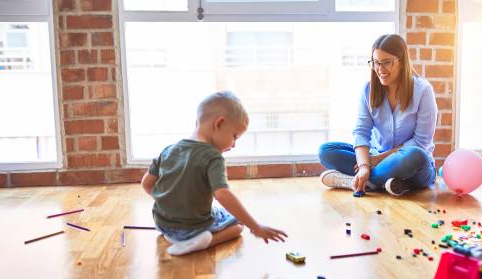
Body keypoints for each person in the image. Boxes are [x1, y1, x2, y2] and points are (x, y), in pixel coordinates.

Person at [141, 91, 287, 256]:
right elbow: (223, 194)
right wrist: (256, 227)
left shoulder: (168, 150)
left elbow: (146, 184)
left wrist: (171, 203)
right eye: (234, 136)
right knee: (238, 224)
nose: (233, 145)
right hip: (192, 228)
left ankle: (178, 238)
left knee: (217, 212)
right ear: (219, 124)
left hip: (163, 224)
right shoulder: (212, 157)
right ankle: (204, 241)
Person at [318, 34, 437, 197]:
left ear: (402, 62)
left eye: (386, 62)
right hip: (374, 158)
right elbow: (361, 132)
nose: (380, 69)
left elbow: (420, 142)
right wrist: (365, 165)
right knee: (326, 151)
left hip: (413, 166)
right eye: (376, 62)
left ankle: (359, 182)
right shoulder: (368, 90)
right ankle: (382, 182)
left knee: (414, 156)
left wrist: (377, 160)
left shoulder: (423, 90)